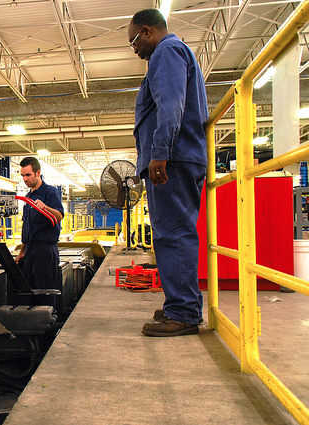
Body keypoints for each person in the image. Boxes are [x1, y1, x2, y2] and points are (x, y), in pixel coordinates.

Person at [128, 9, 208, 337]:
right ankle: (181, 305)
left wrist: (159, 154)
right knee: (172, 233)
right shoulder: (173, 52)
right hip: (180, 157)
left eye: (133, 41)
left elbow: (170, 105)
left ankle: (185, 313)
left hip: (172, 161)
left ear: (147, 31)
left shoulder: (166, 52)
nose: (134, 49)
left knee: (172, 234)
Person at [15, 157, 64, 289]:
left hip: (45, 251)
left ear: (38, 173)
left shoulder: (50, 192)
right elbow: (27, 225)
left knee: (44, 290)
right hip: (30, 250)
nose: (25, 179)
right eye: (23, 175)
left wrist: (45, 207)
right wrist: (22, 250)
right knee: (29, 290)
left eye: (28, 175)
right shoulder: (28, 197)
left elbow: (59, 216)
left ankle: (49, 310)